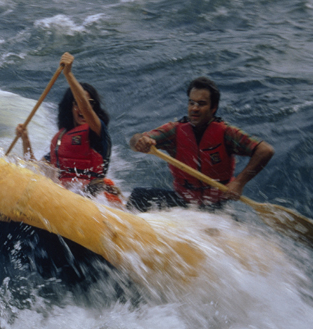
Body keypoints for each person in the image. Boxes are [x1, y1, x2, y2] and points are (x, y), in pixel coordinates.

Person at [127, 76, 274, 211]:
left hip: (215, 207)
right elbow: (135, 140)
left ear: (213, 107)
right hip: (182, 201)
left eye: (201, 104)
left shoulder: (226, 133)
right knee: (138, 195)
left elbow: (265, 150)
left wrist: (239, 182)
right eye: (191, 103)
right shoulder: (174, 130)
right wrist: (141, 141)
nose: (194, 108)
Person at [15, 53, 121, 203]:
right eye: (76, 103)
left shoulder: (97, 130)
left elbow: (87, 110)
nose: (82, 108)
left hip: (93, 197)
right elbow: (34, 169)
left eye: (88, 103)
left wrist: (68, 74)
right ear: (70, 108)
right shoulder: (60, 140)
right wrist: (25, 139)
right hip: (66, 196)